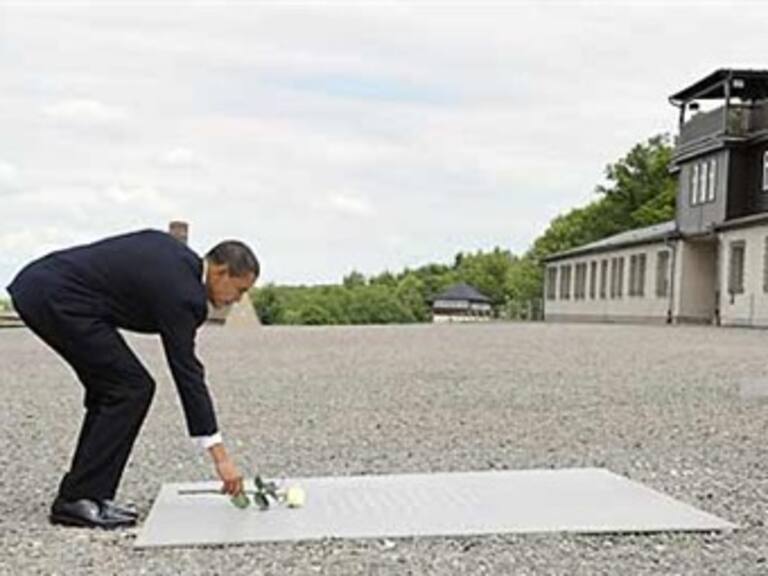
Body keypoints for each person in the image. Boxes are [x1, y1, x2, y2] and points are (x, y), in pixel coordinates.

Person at [6, 229, 258, 529]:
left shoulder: (178, 261)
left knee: (115, 388)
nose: (238, 300)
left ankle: (83, 494)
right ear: (220, 271)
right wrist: (220, 457)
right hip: (56, 298)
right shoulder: (184, 293)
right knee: (130, 388)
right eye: (239, 290)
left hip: (43, 288)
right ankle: (78, 499)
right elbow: (187, 374)